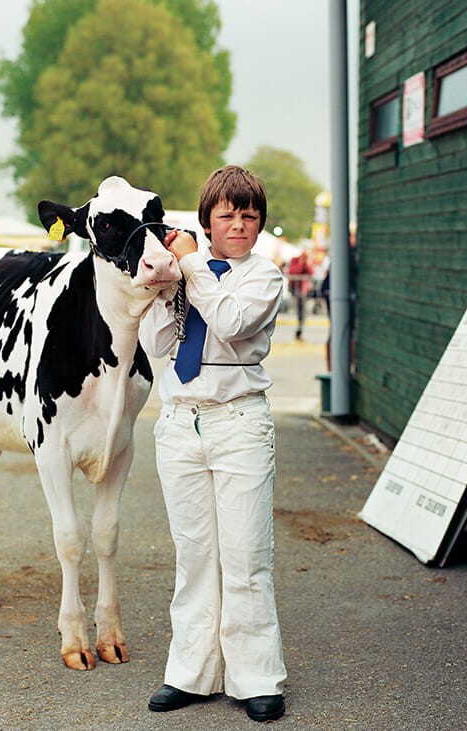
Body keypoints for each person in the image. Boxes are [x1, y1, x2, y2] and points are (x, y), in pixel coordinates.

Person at [139, 166, 288, 722]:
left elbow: (231, 323)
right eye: (227, 215)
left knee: (246, 557)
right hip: (180, 422)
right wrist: (165, 287)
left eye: (250, 216)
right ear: (208, 220)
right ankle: (192, 671)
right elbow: (157, 344)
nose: (240, 225)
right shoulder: (190, 274)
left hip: (239, 423)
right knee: (195, 554)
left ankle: (255, 677)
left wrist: (194, 264)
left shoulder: (263, 276)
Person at [286, 248, 314, 339]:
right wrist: (301, 263)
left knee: (302, 309)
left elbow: (311, 272)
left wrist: (307, 263)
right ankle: (299, 324)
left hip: (302, 289)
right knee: (299, 308)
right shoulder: (295, 260)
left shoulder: (307, 263)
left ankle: (300, 325)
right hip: (295, 288)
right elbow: (293, 271)